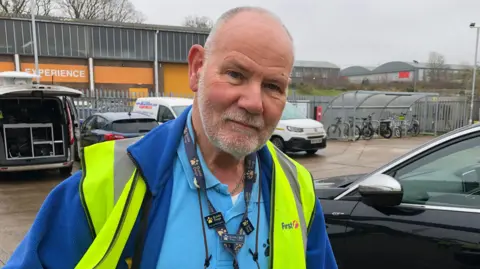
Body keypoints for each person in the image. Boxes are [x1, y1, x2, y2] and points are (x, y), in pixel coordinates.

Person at [4, 6, 337, 269]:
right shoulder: (109, 184)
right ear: (196, 69)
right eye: (236, 74)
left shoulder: (299, 190)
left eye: (273, 87)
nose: (253, 102)